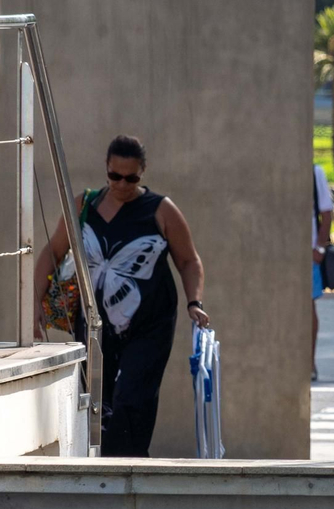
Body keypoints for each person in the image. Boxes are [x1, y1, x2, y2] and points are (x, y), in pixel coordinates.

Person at [33, 135, 210, 456]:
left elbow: (189, 261)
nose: (122, 184)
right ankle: (99, 469)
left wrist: (194, 302)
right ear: (106, 169)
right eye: (115, 176)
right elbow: (52, 252)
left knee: (133, 398)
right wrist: (33, 302)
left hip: (150, 326)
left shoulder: (160, 210)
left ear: (143, 172)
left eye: (131, 177)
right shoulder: (83, 205)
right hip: (94, 325)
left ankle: (127, 468)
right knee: (97, 402)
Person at [311, 163, 333, 382]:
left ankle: (310, 362)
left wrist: (320, 247)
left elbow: (326, 213)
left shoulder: (314, 172)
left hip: (309, 255)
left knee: (308, 307)